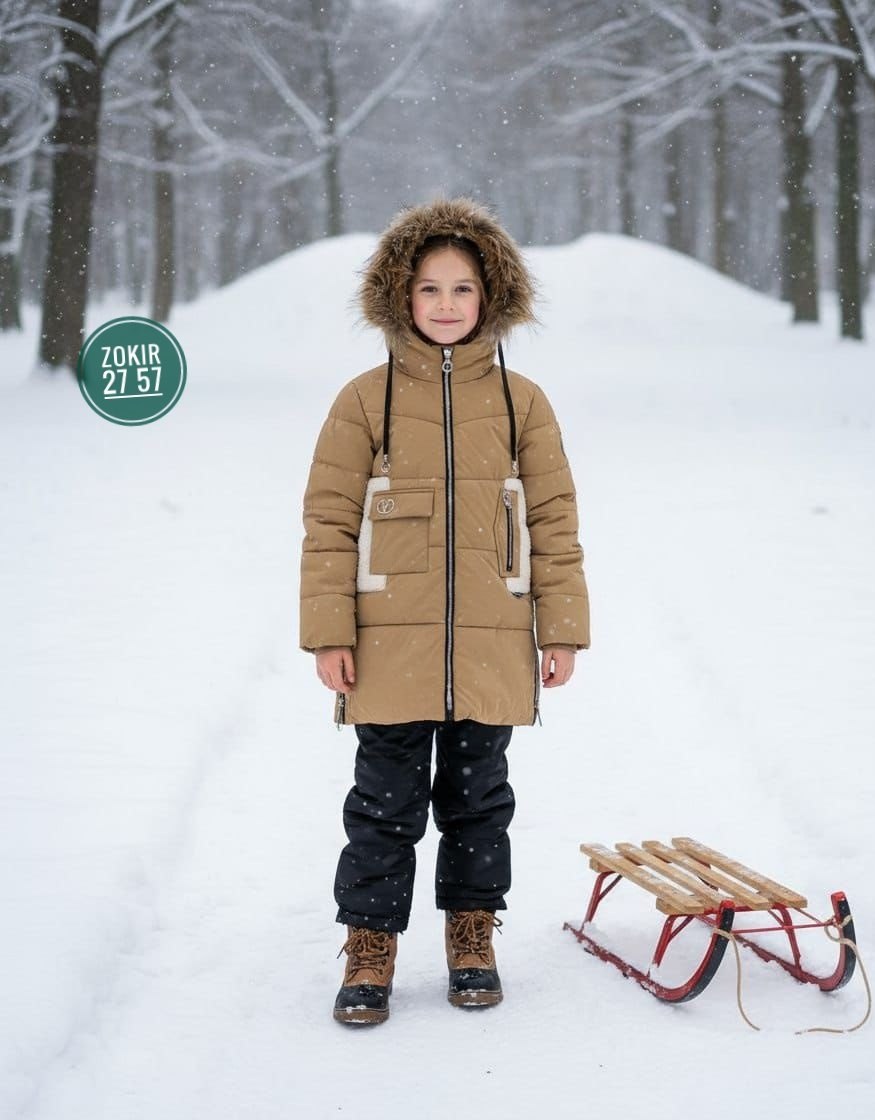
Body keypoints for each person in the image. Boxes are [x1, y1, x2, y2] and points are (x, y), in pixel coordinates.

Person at [299, 197, 590, 1025]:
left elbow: (554, 520)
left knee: (478, 801)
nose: (448, 305)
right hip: (388, 648)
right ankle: (369, 945)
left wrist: (561, 627)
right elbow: (328, 520)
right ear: (401, 296)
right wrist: (329, 632)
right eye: (430, 289)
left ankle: (472, 932)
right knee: (383, 807)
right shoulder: (365, 400)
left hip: (492, 643)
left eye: (464, 289)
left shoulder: (524, 402)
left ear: (492, 296)